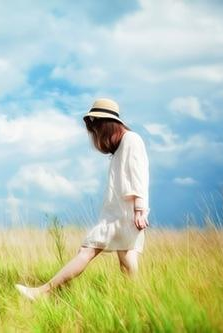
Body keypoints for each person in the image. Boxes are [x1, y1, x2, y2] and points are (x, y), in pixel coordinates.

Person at [15, 98, 150, 300]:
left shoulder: (132, 140)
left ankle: (41, 293)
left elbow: (139, 175)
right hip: (119, 213)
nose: (96, 133)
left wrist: (139, 210)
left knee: (87, 251)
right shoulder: (122, 145)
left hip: (125, 214)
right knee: (127, 259)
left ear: (107, 123)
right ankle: (138, 300)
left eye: (96, 127)